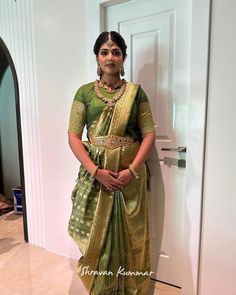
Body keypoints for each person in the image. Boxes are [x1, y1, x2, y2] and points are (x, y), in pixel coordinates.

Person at [68, 31, 156, 295]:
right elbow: (73, 136)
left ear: (123, 58)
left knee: (132, 235)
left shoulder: (136, 94)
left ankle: (131, 288)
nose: (110, 57)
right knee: (99, 235)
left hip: (129, 179)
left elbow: (149, 134)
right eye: (105, 52)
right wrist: (96, 172)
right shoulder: (84, 93)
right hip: (96, 178)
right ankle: (102, 287)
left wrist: (131, 171)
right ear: (97, 57)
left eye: (116, 52)